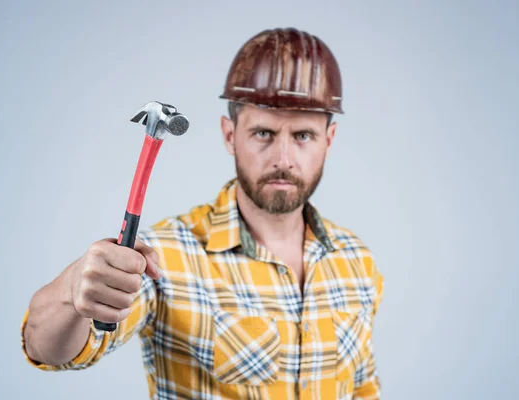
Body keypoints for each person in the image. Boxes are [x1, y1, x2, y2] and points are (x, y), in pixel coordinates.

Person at [20, 27, 384, 399]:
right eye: (263, 133)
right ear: (230, 135)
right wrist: (72, 290)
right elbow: (46, 349)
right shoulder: (164, 260)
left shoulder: (356, 260)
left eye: (303, 136)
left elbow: (364, 387)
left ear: (330, 139)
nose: (283, 159)